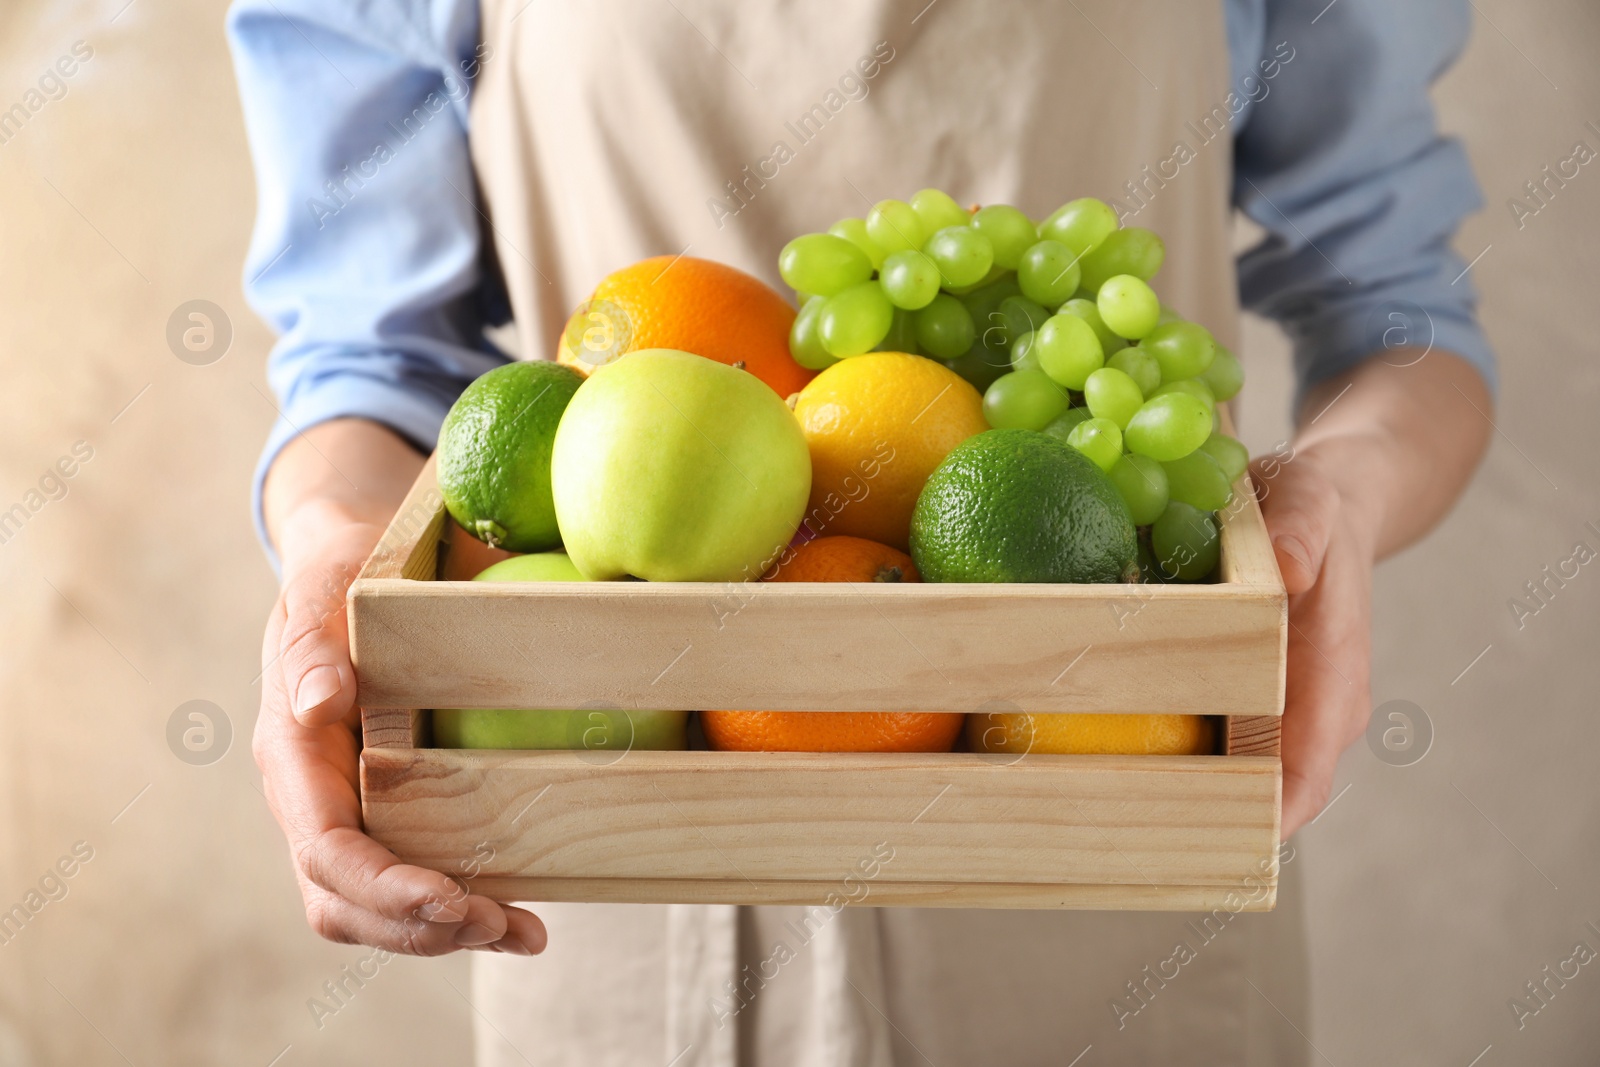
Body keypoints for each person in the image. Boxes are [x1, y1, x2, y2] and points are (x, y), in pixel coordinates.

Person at [229, 0, 1494, 1062]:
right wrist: (339, 548)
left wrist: (1343, 484)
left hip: (1112, 867)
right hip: (611, 858)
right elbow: (371, 358)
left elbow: (1395, 305)